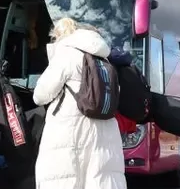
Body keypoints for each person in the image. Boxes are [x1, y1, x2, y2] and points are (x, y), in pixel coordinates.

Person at [31, 18, 126, 189]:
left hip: (69, 128)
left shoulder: (66, 54)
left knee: (66, 177)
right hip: (105, 130)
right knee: (100, 177)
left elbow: (40, 96)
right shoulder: (105, 59)